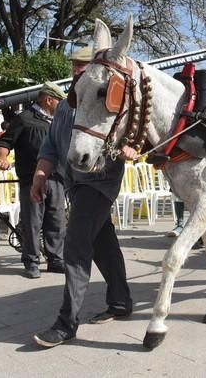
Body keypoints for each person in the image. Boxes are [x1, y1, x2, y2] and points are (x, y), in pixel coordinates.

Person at [32, 48, 137, 348]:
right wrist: (41, 175)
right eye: (75, 66)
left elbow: (132, 131)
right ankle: (120, 301)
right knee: (103, 242)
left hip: (99, 183)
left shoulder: (108, 100)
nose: (78, 70)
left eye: (84, 65)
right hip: (73, 184)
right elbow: (51, 145)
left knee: (76, 244)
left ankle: (66, 324)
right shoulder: (65, 106)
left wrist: (132, 146)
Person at [0, 82, 68, 279]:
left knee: (57, 220)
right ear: (48, 99)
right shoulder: (24, 119)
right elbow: (5, 142)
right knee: (32, 222)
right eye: (59, 102)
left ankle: (55, 259)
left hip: (57, 178)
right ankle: (31, 261)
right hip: (31, 178)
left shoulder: (59, 121)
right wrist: (2, 157)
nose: (62, 106)